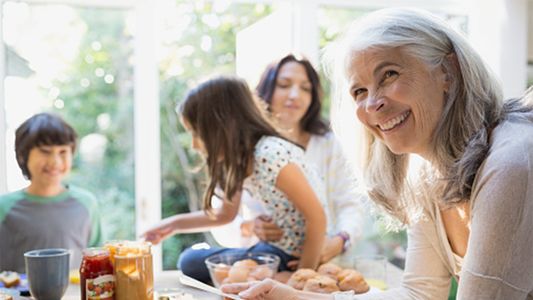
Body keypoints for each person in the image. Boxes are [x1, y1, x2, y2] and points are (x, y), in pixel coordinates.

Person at [221, 7, 533, 299]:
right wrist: (296, 296)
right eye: (359, 91)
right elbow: (418, 294)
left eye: (390, 75)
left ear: (447, 72)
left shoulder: (510, 164)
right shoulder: (428, 173)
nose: (372, 105)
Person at [142, 76, 327, 284]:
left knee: (191, 261)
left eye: (196, 133)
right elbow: (224, 215)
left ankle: (278, 278)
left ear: (221, 126)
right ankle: (268, 278)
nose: (194, 145)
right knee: (192, 260)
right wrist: (172, 224)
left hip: (291, 256)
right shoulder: (240, 160)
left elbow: (317, 217)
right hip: (274, 251)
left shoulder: (269, 155)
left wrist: (301, 277)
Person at [210, 54, 366, 265]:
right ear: (265, 91)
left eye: (305, 88)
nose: (295, 95)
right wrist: (249, 226)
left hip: (323, 263)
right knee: (193, 261)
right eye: (284, 85)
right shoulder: (244, 147)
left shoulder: (329, 144)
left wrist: (339, 241)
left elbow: (350, 204)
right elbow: (220, 214)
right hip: (266, 261)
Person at [0, 113, 103, 273]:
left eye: (63, 152)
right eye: (45, 151)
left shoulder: (86, 203)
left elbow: (99, 262)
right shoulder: (4, 206)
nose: (55, 161)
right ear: (22, 156)